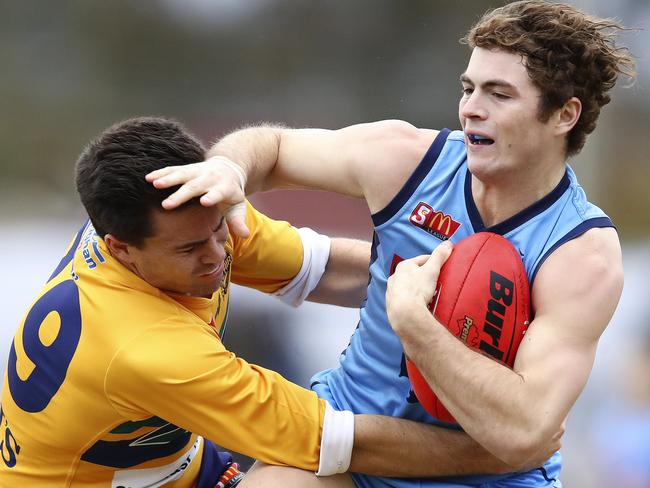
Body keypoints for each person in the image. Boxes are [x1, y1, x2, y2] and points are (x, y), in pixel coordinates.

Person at [147, 1, 635, 487]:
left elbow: (524, 434)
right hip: (352, 445)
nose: (471, 108)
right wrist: (228, 168)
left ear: (563, 115)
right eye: (468, 88)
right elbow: (270, 147)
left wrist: (414, 324)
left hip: (484, 476)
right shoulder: (406, 160)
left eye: (499, 94)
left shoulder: (580, 253)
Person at [0, 117, 549, 488]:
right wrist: (503, 452)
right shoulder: (146, 348)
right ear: (118, 247)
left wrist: (453, 281)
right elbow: (340, 441)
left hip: (168, 465)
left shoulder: (175, 220)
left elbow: (327, 269)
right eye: (193, 248)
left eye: (219, 228)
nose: (220, 253)